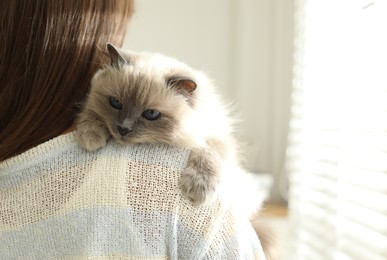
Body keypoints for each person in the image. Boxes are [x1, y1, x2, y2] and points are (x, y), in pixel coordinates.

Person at [0, 1, 265, 259]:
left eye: (150, 115)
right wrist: (92, 117)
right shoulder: (170, 186)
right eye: (115, 104)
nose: (124, 126)